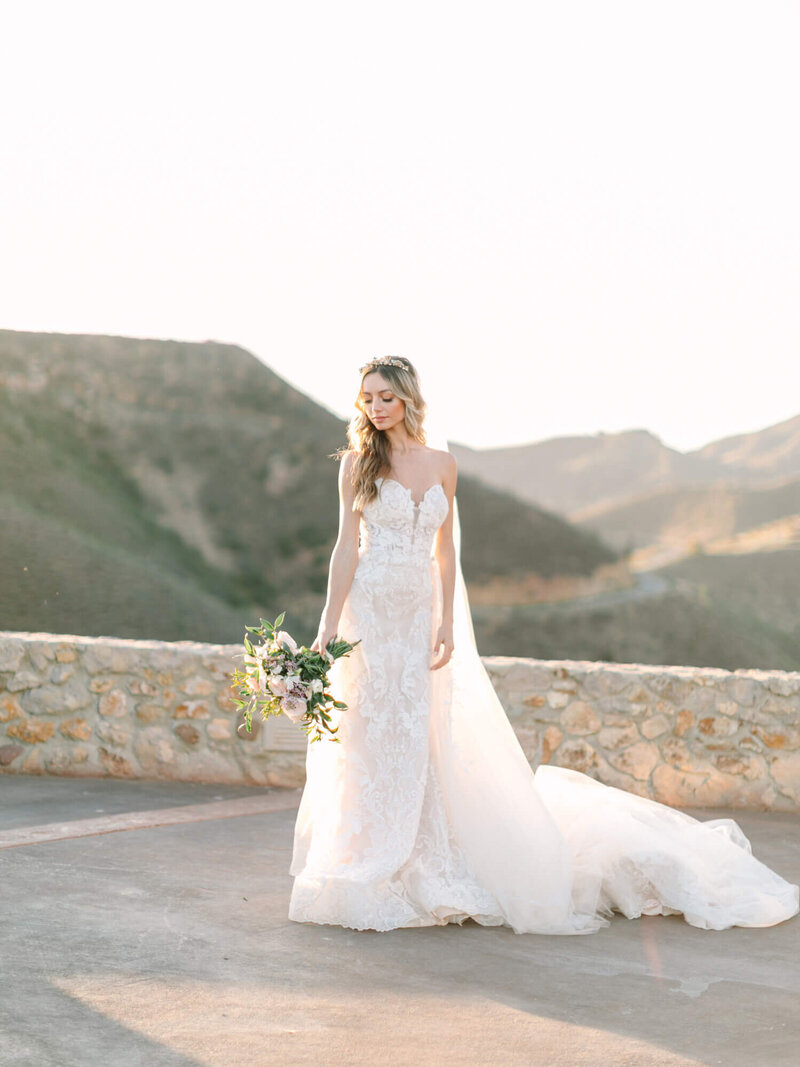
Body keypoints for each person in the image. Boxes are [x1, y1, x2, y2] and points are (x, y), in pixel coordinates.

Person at [288, 355, 799, 934]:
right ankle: (368, 852)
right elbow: (345, 547)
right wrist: (328, 625)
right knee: (368, 730)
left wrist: (448, 622)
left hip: (417, 615)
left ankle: (425, 854)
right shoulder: (356, 464)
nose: (375, 408)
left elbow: (446, 551)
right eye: (367, 399)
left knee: (419, 729)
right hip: (369, 612)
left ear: (407, 398)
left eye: (385, 397)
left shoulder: (443, 465)